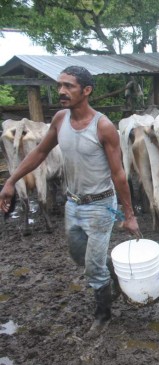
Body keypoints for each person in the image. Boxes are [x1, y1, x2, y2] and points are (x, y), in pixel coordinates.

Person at [0, 65, 141, 338]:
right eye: (60, 85)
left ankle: (103, 315)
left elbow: (119, 174)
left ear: (86, 91)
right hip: (73, 203)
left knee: (93, 267)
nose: (62, 91)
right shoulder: (60, 119)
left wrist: (129, 214)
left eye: (69, 86)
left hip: (101, 205)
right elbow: (40, 152)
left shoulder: (103, 126)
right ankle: (112, 275)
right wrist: (10, 182)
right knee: (79, 256)